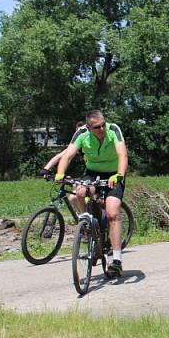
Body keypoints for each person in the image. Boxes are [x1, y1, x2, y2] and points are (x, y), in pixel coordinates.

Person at [55, 109, 129, 277]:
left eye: (103, 125)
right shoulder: (81, 133)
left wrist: (119, 175)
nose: (102, 129)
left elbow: (122, 155)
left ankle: (116, 260)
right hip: (92, 173)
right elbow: (67, 156)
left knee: (112, 213)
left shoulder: (114, 130)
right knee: (78, 193)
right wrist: (60, 173)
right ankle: (89, 225)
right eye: (97, 127)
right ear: (88, 127)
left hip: (113, 174)